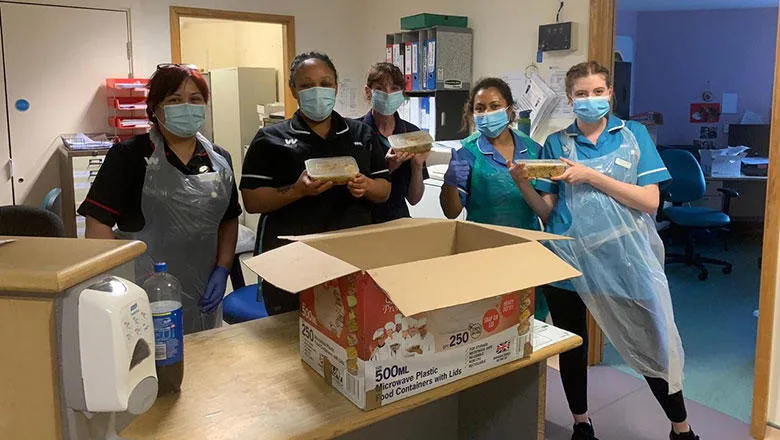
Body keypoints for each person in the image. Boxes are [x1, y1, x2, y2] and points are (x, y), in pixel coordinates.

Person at [509, 61, 696, 440]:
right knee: (574, 346)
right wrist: (523, 184)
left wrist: (591, 176)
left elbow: (649, 201)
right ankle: (581, 423)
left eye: (598, 92)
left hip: (625, 261)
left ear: (610, 94)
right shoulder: (556, 144)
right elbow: (548, 211)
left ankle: (681, 428)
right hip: (569, 262)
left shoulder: (633, 135)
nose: (590, 100)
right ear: (570, 99)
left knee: (652, 341)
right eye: (581, 94)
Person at [79, 64, 240, 334]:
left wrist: (223, 268)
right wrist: (118, 284)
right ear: (154, 108)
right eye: (175, 100)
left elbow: (229, 219)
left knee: (204, 360)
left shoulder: (219, 160)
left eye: (195, 99)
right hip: (140, 289)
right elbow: (97, 224)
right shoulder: (128, 156)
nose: (186, 107)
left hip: (202, 287)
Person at [241, 52, 391, 316]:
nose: (317, 91)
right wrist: (297, 191)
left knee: (350, 328)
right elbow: (252, 201)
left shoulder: (361, 134)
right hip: (290, 258)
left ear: (336, 87)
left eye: (325, 83)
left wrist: (366, 185)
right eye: (307, 85)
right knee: (288, 337)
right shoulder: (269, 139)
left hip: (350, 257)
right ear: (293, 90)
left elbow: (384, 189)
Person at [439, 77, 549, 321]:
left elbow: (547, 209)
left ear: (510, 110)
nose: (487, 113)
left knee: (528, 325)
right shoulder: (467, 152)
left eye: (494, 106)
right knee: (488, 323)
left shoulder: (533, 151)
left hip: (527, 252)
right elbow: (451, 211)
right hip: (483, 253)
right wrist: (450, 182)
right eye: (480, 108)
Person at [358, 62, 429, 223]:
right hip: (363, 220)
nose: (388, 94)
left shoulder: (411, 133)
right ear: (368, 92)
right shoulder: (356, 132)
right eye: (381, 88)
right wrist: (387, 168)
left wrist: (417, 167)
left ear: (402, 94)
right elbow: (351, 190)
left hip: (398, 219)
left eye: (395, 89)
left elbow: (414, 199)